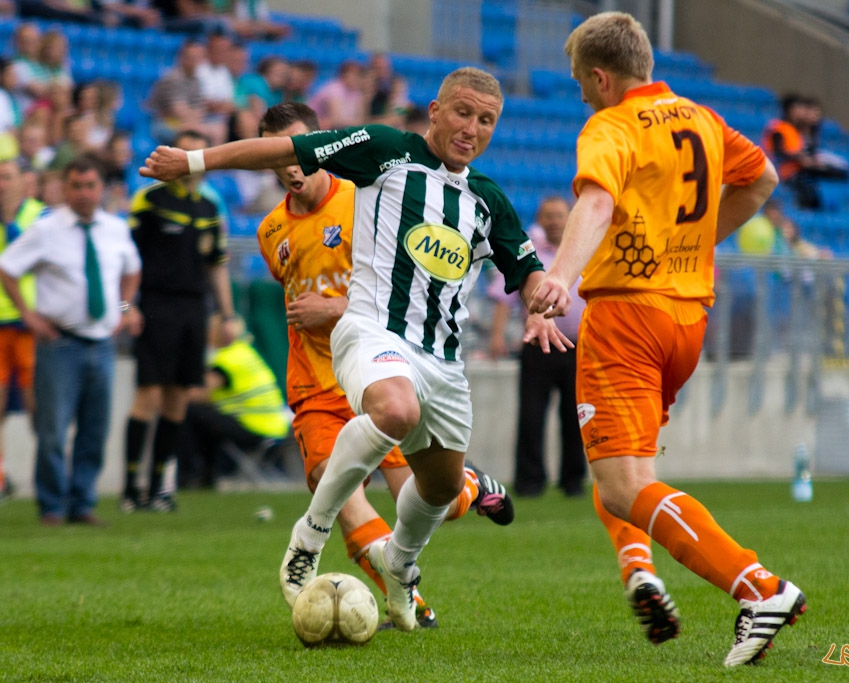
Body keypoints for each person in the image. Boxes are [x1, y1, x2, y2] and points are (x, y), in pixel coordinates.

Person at [141, 67, 572, 631]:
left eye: (486, 120)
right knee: (395, 410)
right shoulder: (384, 152)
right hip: (370, 335)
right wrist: (193, 162)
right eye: (463, 113)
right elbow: (285, 149)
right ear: (436, 111)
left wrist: (541, 299)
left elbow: (527, 269)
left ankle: (402, 564)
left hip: (441, 363)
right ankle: (310, 534)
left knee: (440, 492)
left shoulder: (488, 200)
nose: (472, 128)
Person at [527, 13, 805, 667]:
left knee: (621, 482)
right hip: (686, 319)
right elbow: (762, 178)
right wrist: (697, 244)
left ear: (601, 77)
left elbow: (596, 203)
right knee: (626, 470)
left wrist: (560, 276)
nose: (581, 94)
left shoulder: (612, 124)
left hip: (626, 315)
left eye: (581, 81)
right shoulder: (701, 119)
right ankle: (639, 568)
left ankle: (760, 588)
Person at [253, 102, 517, 627]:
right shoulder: (270, 230)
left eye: (296, 151)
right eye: (277, 157)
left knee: (435, 498)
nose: (289, 167)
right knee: (340, 492)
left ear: (317, 145)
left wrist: (331, 309)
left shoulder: (367, 195)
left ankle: (469, 485)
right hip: (316, 386)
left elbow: (401, 289)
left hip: (387, 373)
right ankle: (402, 597)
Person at [0, 153, 142, 526]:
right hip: (59, 342)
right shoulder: (46, 229)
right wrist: (27, 314)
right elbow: (8, 267)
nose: (83, 193)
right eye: (76, 186)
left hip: (102, 342)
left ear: (102, 189)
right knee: (52, 429)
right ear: (64, 189)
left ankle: (82, 502)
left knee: (94, 429)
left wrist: (124, 308)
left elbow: (131, 270)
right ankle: (51, 505)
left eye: (90, 185)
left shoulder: (115, 228)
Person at [121, 130, 237, 513]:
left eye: (195, 152)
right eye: (183, 151)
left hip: (193, 310)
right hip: (156, 305)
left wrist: (227, 314)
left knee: (178, 398)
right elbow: (127, 258)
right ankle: (130, 488)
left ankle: (159, 487)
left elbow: (216, 265)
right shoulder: (150, 199)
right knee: (149, 394)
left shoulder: (209, 207)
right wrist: (127, 305)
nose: (189, 159)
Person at [488, 195, 586, 498]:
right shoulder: (528, 253)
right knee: (531, 416)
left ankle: (573, 481)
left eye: (559, 215)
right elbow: (503, 298)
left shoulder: (584, 251)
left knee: (576, 417)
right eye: (549, 216)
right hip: (537, 345)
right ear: (540, 220)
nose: (554, 221)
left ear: (569, 219)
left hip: (579, 347)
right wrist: (497, 335)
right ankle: (529, 482)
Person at [179, 316, 290, 489]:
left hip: (254, 427)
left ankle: (190, 475)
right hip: (275, 426)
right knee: (207, 419)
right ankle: (205, 476)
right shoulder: (244, 351)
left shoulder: (226, 360)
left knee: (191, 413)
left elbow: (198, 395)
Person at [0, 159, 47, 500]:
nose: (2, 184)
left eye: (7, 177)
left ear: (23, 182)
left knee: (39, 406)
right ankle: (1, 477)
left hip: (31, 322)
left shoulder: (39, 216)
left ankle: (49, 478)